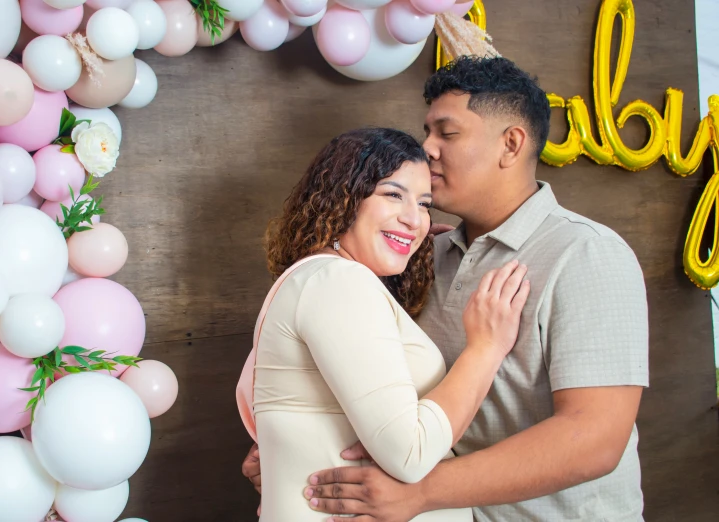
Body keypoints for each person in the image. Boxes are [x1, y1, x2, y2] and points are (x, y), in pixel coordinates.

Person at [243, 57, 649, 521]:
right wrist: (293, 445)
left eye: (447, 133)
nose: (427, 148)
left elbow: (594, 440)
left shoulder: (587, 255)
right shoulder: (418, 258)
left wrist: (422, 492)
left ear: (511, 144)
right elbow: (374, 384)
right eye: (427, 132)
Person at [238, 126, 530, 521]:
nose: (415, 219)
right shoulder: (338, 282)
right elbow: (410, 454)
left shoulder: (321, 280)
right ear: (344, 199)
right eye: (393, 194)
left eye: (425, 204)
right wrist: (486, 348)